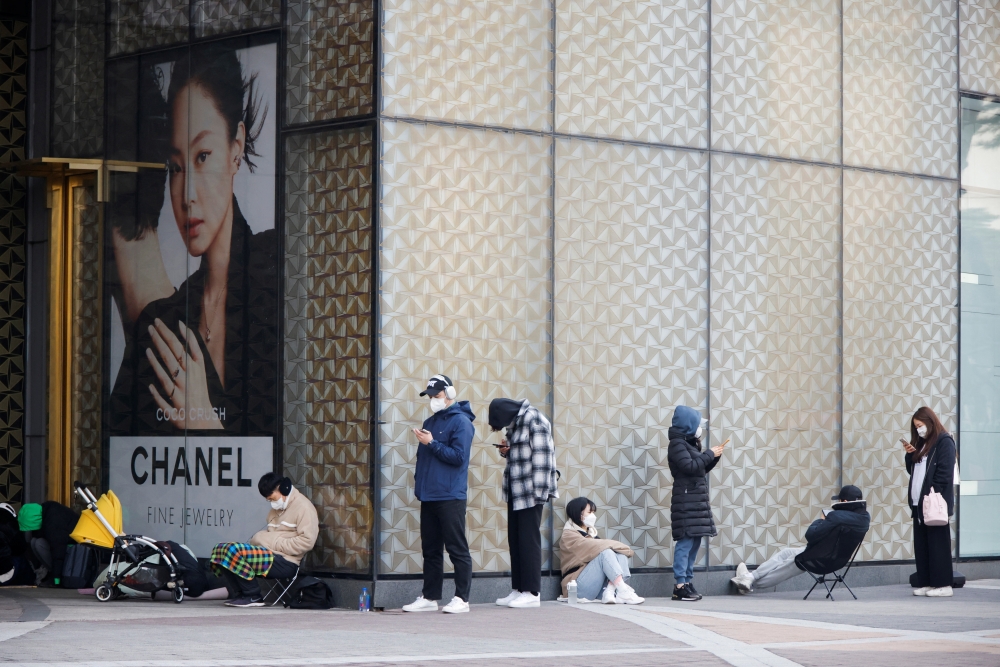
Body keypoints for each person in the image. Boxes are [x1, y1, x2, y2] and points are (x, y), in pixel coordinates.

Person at [110, 44, 277, 435]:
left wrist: (204, 420)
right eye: (176, 167)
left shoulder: (278, 277)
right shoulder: (163, 323)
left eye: (203, 156)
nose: (186, 195)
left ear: (236, 147)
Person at [402, 375, 476, 614]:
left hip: (450, 495)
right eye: (431, 396)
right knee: (431, 549)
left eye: (437, 395)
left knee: (457, 548)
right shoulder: (430, 421)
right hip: (430, 495)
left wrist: (431, 443)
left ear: (450, 394)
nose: (434, 400)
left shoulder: (462, 422)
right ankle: (430, 596)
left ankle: (462, 598)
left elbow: (458, 458)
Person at [730, 485, 871, 593]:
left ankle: (751, 582)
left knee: (788, 563)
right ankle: (750, 577)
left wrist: (821, 520)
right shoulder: (865, 519)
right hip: (837, 560)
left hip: (816, 559)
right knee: (786, 553)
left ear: (844, 501)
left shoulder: (835, 517)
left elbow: (810, 536)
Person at [490, 397, 559, 609]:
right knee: (516, 539)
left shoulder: (534, 420)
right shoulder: (518, 422)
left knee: (529, 540)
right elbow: (523, 452)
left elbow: (543, 457)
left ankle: (532, 592)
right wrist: (506, 451)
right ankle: (518, 589)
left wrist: (539, 492)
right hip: (516, 490)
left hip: (531, 491)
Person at [211, 473, 318, 607]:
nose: (271, 502)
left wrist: (270, 541)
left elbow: (307, 542)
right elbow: (269, 537)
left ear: (284, 489)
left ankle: (253, 595)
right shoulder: (275, 510)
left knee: (234, 550)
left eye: (272, 498)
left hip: (286, 561)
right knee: (221, 549)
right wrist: (265, 540)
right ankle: (240, 593)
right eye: (268, 500)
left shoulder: (304, 507)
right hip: (268, 555)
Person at [667, 405, 724, 602]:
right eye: (697, 424)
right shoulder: (677, 445)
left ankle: (688, 581)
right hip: (686, 501)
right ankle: (679, 585)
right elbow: (689, 466)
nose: (700, 428)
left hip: (695, 500)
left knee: (695, 541)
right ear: (688, 425)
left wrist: (714, 457)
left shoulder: (688, 444)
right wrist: (709, 454)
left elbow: (700, 469)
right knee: (685, 541)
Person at [903, 406, 957, 597]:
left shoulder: (944, 441)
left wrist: (933, 492)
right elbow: (913, 471)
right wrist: (910, 455)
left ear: (929, 421)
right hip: (919, 502)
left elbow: (944, 472)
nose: (919, 430)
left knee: (937, 543)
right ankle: (927, 582)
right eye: (916, 427)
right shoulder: (922, 444)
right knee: (922, 544)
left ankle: (943, 584)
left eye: (920, 425)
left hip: (933, 501)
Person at [559, 497, 644, 604]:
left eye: (593, 512)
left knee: (620, 554)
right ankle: (623, 590)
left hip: (597, 589)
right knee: (606, 552)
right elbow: (595, 546)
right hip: (576, 589)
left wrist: (622, 549)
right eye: (589, 512)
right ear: (578, 514)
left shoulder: (591, 534)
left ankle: (610, 591)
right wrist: (624, 547)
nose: (592, 516)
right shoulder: (569, 535)